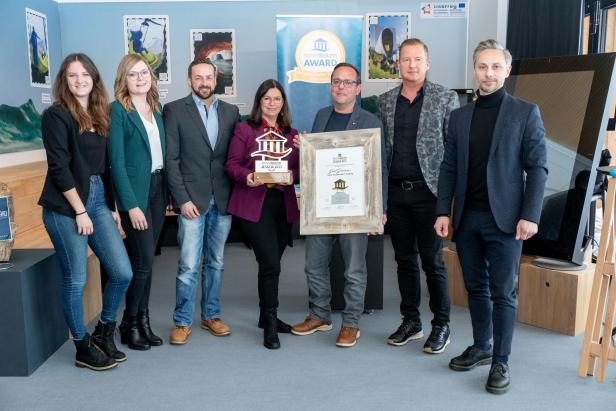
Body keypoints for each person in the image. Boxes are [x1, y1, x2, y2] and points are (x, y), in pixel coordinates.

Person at [434, 39, 547, 394]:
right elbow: (449, 166)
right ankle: (482, 346)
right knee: (474, 288)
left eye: (496, 67)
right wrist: (442, 210)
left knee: (503, 292)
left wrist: (530, 215)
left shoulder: (525, 112)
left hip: (508, 222)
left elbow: (538, 168)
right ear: (475, 70)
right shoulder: (459, 117)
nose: (489, 73)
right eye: (483, 67)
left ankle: (501, 360)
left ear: (507, 70)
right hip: (467, 218)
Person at [38, 53, 132, 371]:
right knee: (76, 279)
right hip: (66, 207)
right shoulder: (56, 116)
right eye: (72, 75)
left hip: (98, 201)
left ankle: (104, 332)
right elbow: (59, 168)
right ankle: (82, 345)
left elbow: (102, 168)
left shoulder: (99, 114)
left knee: (122, 272)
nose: (79, 80)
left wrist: (111, 208)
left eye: (85, 74)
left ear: (94, 78)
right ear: (64, 81)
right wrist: (80, 211)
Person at [291, 63, 388, 348]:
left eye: (347, 82)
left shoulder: (371, 122)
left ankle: (351, 323)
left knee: (354, 268)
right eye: (336, 82)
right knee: (314, 264)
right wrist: (304, 149)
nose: (341, 87)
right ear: (330, 86)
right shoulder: (322, 116)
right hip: (322, 206)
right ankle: (319, 315)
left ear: (358, 88)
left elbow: (379, 169)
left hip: (356, 207)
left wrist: (379, 210)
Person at [378, 38, 458, 354]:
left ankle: (442, 325)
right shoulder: (384, 101)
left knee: (432, 262)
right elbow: (381, 153)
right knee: (403, 261)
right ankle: (411, 321)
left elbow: (452, 152)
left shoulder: (444, 98)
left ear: (428, 62)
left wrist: (447, 204)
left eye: (418, 59)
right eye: (406, 59)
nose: (412, 65)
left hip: (430, 195)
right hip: (397, 193)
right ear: (397, 64)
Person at [164, 57, 240, 345]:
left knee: (217, 262)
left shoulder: (231, 112)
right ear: (189, 80)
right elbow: (171, 160)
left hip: (222, 199)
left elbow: (237, 155)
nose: (204, 83)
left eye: (209, 77)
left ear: (216, 79)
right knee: (188, 265)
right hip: (191, 202)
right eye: (198, 78)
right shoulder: (173, 111)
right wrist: (181, 199)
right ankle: (182, 321)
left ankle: (211, 316)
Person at [225, 79, 299, 349]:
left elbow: (302, 170)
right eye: (266, 98)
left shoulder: (292, 135)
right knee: (271, 264)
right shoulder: (245, 129)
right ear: (259, 102)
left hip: (283, 205)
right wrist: (250, 176)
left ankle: (264, 315)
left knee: (272, 263)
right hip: (254, 204)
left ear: (283, 103)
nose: (271, 103)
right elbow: (231, 165)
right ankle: (270, 322)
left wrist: (296, 172)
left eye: (277, 99)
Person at [108, 54, 166, 351]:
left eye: (145, 72)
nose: (141, 78)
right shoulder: (118, 110)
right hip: (136, 195)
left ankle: (143, 321)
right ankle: (128, 324)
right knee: (141, 261)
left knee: (148, 262)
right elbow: (116, 163)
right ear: (124, 79)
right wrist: (130, 205)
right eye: (133, 74)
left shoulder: (156, 110)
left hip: (157, 190)